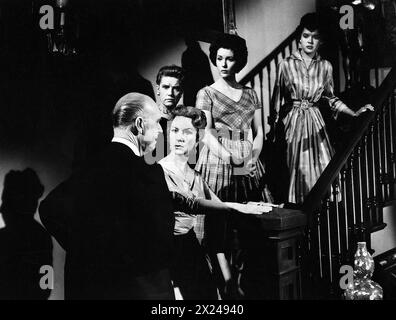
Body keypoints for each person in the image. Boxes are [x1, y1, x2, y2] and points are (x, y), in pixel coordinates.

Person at [39, 93, 177, 300]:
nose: (160, 130)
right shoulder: (148, 172)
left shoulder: (89, 167)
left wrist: (85, 249)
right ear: (139, 124)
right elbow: (163, 233)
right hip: (138, 288)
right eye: (157, 122)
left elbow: (48, 209)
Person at [159, 105, 270, 299]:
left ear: (198, 138)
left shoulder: (195, 176)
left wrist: (257, 206)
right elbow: (191, 203)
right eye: (175, 130)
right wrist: (236, 206)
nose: (179, 137)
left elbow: (219, 208)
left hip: (190, 248)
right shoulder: (160, 171)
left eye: (187, 132)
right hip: (167, 253)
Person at [194, 33, 273, 298]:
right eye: (219, 59)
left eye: (229, 58)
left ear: (238, 60)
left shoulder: (251, 93)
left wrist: (251, 156)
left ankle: (243, 286)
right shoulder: (206, 93)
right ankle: (223, 289)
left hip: (248, 158)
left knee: (248, 227)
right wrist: (231, 159)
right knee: (218, 227)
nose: (224, 64)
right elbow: (206, 133)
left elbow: (259, 132)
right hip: (219, 158)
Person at [271, 13, 374, 204]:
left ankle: (323, 214)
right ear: (299, 39)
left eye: (315, 36)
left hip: (317, 123)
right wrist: (276, 129)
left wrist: (354, 112)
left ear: (321, 41)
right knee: (299, 172)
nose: (310, 41)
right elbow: (276, 100)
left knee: (326, 166)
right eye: (306, 36)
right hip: (293, 125)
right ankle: (303, 214)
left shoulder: (326, 66)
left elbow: (330, 97)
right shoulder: (285, 65)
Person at [0, 168, 52, 300]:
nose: (2, 209)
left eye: (6, 201)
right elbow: (46, 286)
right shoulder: (42, 237)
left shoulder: (40, 238)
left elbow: (46, 286)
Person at [155, 65, 185, 159]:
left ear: (181, 92)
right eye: (166, 87)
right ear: (158, 89)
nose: (170, 93)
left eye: (176, 88)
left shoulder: (185, 120)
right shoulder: (148, 119)